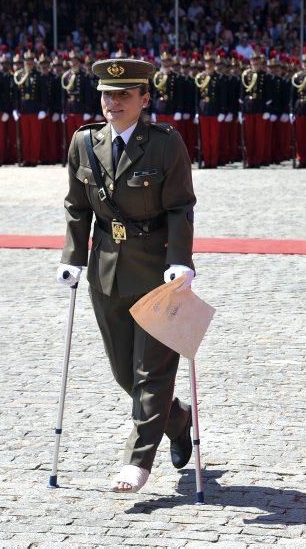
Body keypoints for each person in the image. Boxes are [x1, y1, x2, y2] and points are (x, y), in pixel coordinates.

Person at [57, 58, 196, 493]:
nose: (112, 102)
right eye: (106, 94)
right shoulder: (84, 142)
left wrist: (181, 259)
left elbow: (180, 207)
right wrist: (72, 256)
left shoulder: (165, 144)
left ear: (144, 99)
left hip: (157, 268)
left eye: (123, 95)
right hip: (107, 272)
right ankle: (177, 418)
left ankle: (136, 462)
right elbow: (77, 206)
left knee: (151, 372)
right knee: (125, 374)